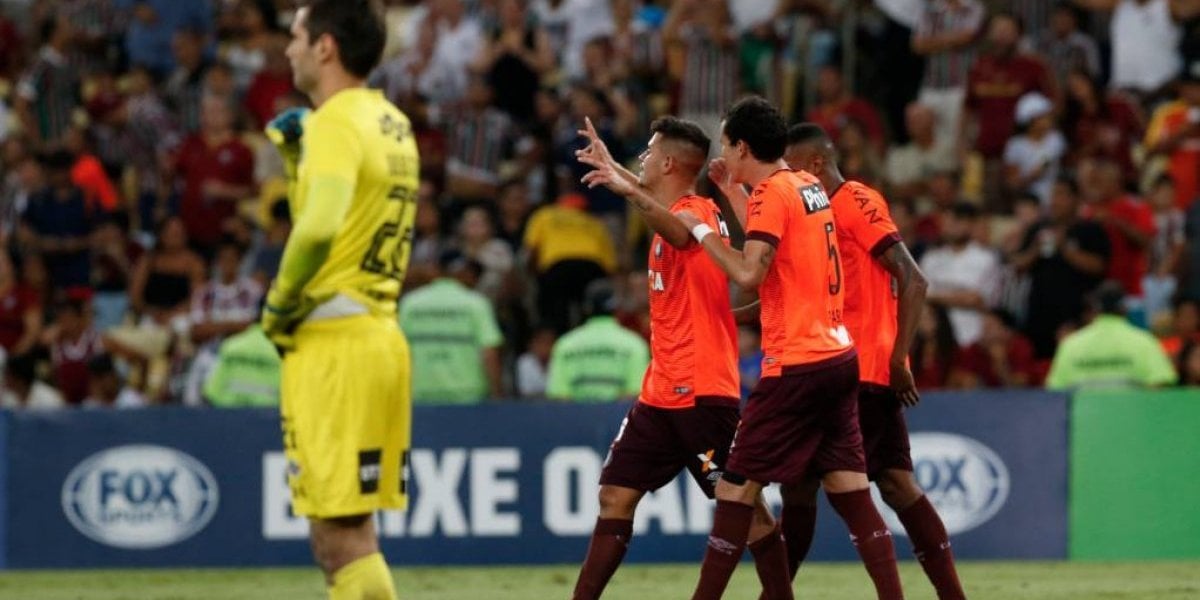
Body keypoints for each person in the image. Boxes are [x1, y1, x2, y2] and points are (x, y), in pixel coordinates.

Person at [677, 97, 903, 600]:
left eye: (726, 144)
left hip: (795, 364)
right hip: (838, 358)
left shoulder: (773, 194)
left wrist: (699, 229)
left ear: (742, 145)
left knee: (735, 490)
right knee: (851, 490)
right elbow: (772, 241)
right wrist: (734, 191)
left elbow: (748, 272)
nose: (724, 154)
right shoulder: (807, 186)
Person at [571, 116, 788, 599]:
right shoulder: (668, 210)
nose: (641, 160)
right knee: (614, 495)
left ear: (668, 162)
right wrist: (617, 172)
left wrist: (624, 187)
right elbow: (661, 215)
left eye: (647, 153)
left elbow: (680, 232)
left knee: (747, 510)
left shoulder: (700, 213)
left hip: (702, 395)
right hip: (660, 396)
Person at [260, 2, 416, 598]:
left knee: (341, 538)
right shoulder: (391, 122)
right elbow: (348, 223)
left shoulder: (335, 121)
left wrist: (278, 305)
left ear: (325, 46)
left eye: (296, 36)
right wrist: (300, 165)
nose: (288, 49)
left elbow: (320, 230)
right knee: (345, 535)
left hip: (335, 345)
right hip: (373, 332)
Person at [775, 124, 964, 598]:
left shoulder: (856, 200)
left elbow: (914, 279)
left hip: (863, 371)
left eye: (792, 167)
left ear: (817, 164)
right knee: (895, 484)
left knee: (809, 486)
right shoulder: (815, 216)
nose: (786, 179)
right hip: (841, 366)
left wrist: (900, 359)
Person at [398, 250, 503, 405]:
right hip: (468, 395)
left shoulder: (410, 304)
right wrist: (497, 394)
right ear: (462, 272)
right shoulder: (476, 304)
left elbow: (398, 350)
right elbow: (489, 352)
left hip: (420, 394)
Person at [1047, 280, 1177, 388]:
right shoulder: (1144, 341)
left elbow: (1055, 390)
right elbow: (1161, 384)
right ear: (1125, 307)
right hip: (1132, 418)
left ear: (1095, 309)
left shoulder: (1070, 344)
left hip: (1084, 418)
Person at [546, 281, 649, 403]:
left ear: (586, 308)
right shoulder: (635, 345)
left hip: (574, 420)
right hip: (619, 419)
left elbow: (559, 396)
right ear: (616, 308)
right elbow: (635, 394)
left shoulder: (565, 344)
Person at [202, 321, 282, 408]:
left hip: (229, 415)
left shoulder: (230, 346)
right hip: (270, 415)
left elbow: (211, 391)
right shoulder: (283, 351)